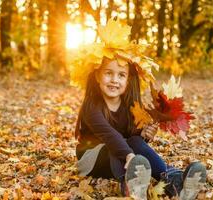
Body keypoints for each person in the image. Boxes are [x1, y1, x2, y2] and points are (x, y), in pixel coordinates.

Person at [70, 19, 206, 200]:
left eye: (121, 75)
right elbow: (111, 136)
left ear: (127, 81)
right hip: (91, 158)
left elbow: (131, 138)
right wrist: (128, 156)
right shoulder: (91, 106)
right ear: (97, 76)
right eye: (108, 73)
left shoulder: (129, 107)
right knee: (115, 146)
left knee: (134, 140)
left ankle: (172, 180)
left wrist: (144, 135)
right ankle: (129, 184)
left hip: (121, 154)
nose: (114, 80)